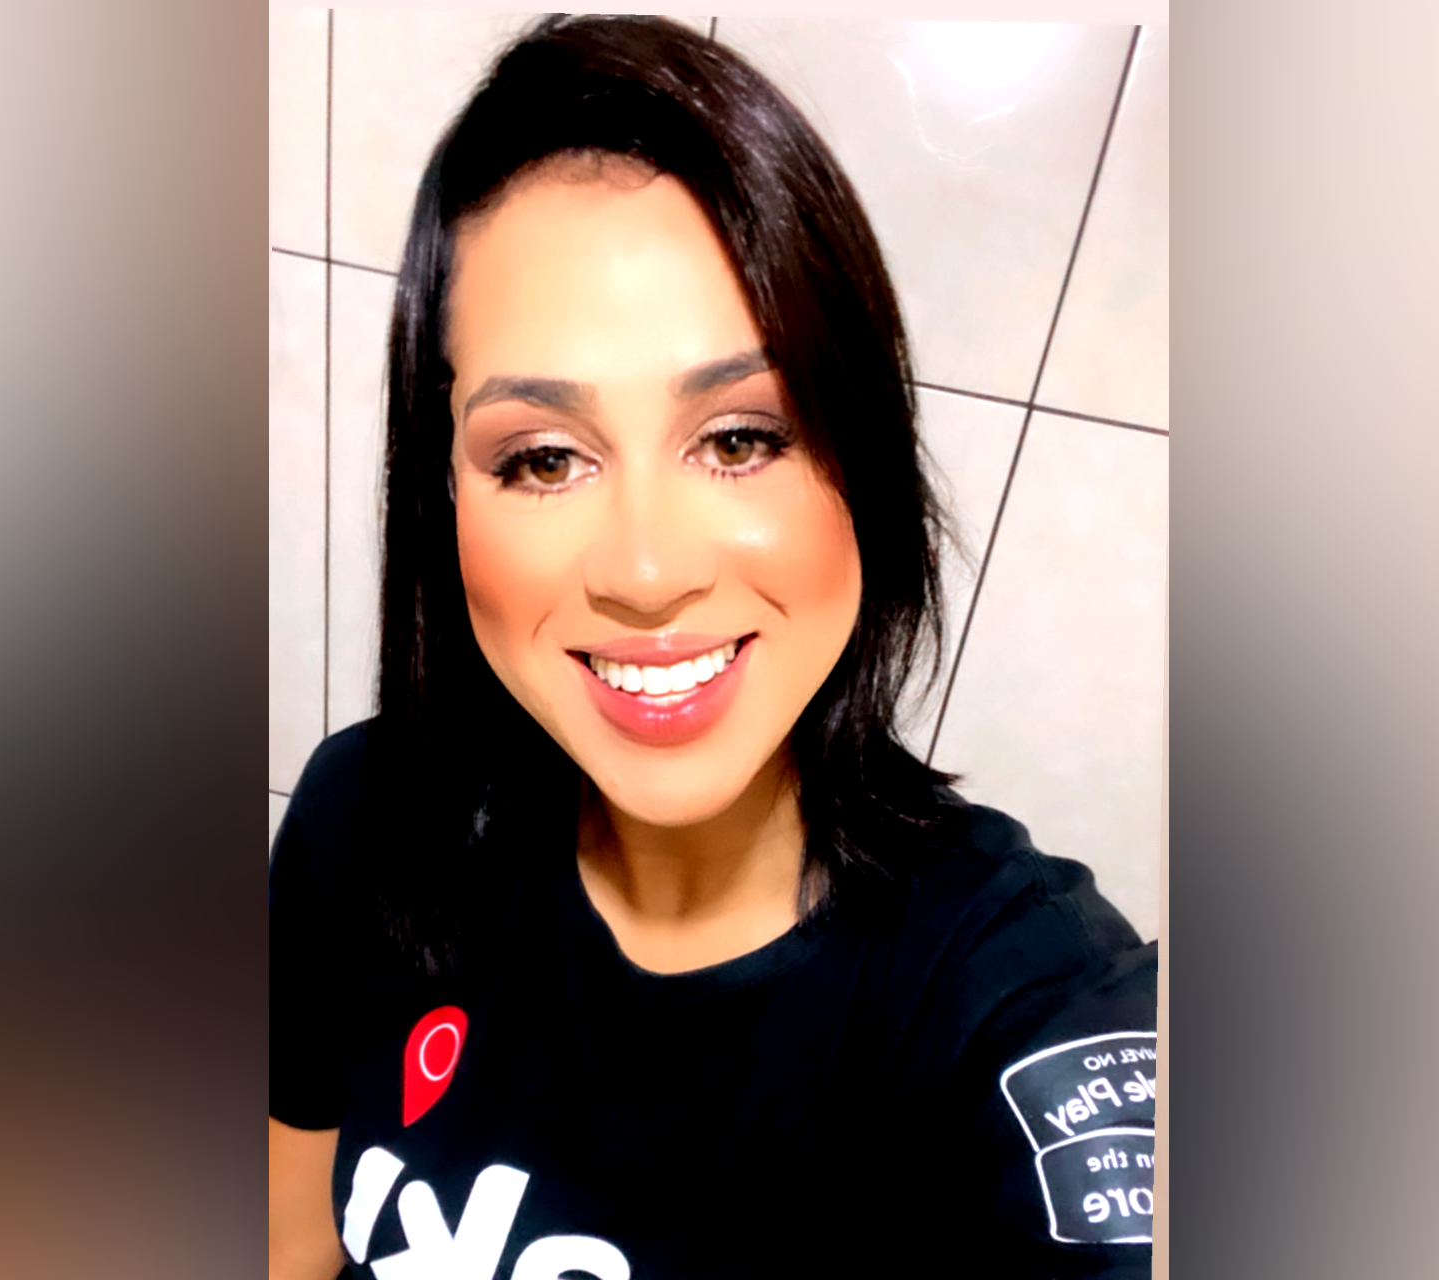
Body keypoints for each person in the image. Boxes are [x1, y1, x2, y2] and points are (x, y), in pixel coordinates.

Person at [269, 16, 1157, 1280]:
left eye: (741, 438)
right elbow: (283, 1237)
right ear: (445, 496)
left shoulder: (1001, 988)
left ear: (864, 462)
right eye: (543, 458)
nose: (645, 572)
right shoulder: (369, 816)